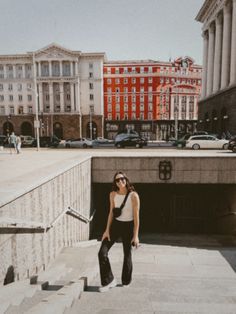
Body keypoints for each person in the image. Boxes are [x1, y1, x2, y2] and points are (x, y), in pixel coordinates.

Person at [98, 171, 140, 293]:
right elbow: (111, 213)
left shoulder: (134, 196)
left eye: (122, 179)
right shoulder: (112, 194)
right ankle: (109, 280)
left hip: (128, 226)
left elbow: (137, 217)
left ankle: (126, 281)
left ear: (126, 179)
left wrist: (136, 235)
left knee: (127, 254)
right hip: (115, 225)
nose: (120, 181)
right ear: (115, 183)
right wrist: (107, 230)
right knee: (102, 253)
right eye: (117, 180)